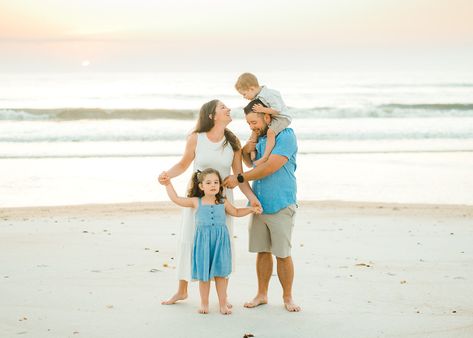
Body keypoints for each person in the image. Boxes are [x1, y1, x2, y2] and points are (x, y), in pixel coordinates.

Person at [157, 99, 261, 306]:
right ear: (212, 116)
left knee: (223, 244)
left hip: (223, 200)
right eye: (223, 108)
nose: (229, 109)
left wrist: (252, 199)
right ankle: (182, 291)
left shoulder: (233, 143)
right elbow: (183, 164)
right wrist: (166, 176)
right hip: (199, 196)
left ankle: (224, 297)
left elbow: (239, 176)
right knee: (190, 238)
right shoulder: (196, 138)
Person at [224, 99, 301, 312]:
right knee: (262, 251)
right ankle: (262, 294)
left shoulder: (286, 136)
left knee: (282, 253)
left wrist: (239, 178)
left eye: (254, 122)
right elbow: (251, 162)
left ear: (267, 116)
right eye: (248, 123)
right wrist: (249, 142)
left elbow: (269, 167)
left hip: (281, 202)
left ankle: (288, 297)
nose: (252, 126)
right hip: (258, 203)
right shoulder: (260, 138)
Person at [160, 168, 262, 315]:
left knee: (221, 274)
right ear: (201, 186)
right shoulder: (197, 202)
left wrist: (251, 210)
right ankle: (204, 303)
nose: (213, 185)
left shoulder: (222, 201)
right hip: (203, 242)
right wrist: (168, 184)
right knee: (204, 275)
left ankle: (222, 304)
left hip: (220, 242)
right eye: (208, 182)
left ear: (220, 185)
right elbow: (176, 199)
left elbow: (236, 212)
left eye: (216, 182)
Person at [235, 72, 292, 166]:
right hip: (273, 116)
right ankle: (252, 151)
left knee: (270, 132)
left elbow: (277, 110)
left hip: (282, 117)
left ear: (251, 89)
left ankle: (265, 156)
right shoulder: (257, 96)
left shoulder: (269, 94)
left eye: (244, 94)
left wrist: (262, 109)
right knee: (254, 131)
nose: (244, 97)